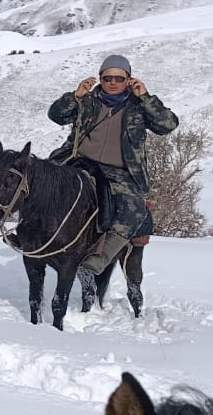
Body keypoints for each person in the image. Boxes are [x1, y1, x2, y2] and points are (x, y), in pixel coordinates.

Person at [48, 54, 178, 275]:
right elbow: (56, 115)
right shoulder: (87, 100)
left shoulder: (138, 107)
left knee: (135, 209)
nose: (113, 83)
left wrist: (146, 97)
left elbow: (168, 125)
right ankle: (26, 234)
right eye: (108, 78)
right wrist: (75, 96)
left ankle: (98, 259)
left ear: (129, 79)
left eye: (119, 78)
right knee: (39, 182)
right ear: (101, 79)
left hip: (120, 172)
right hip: (79, 163)